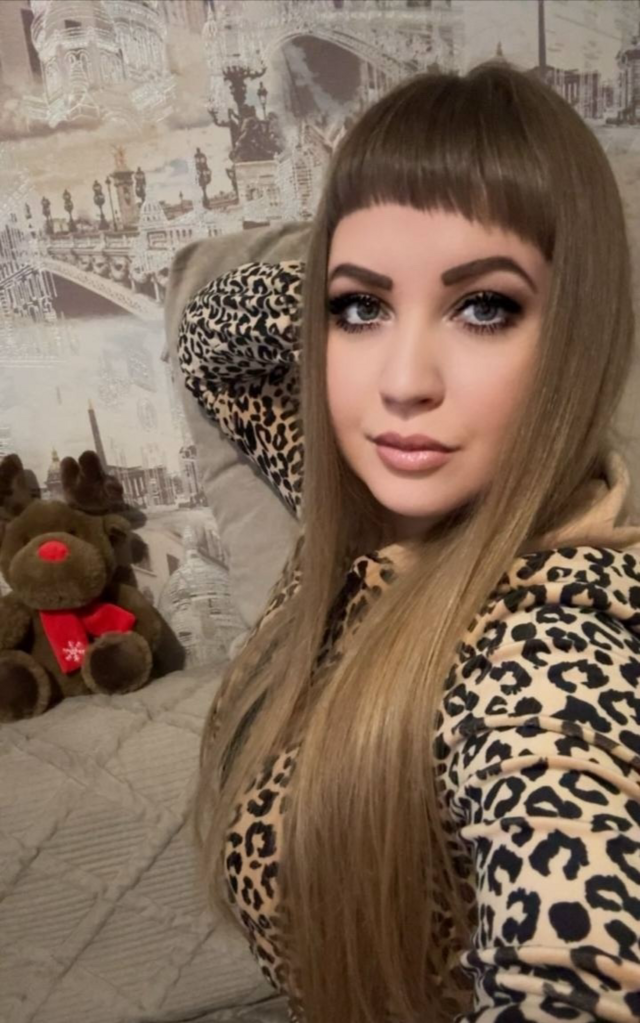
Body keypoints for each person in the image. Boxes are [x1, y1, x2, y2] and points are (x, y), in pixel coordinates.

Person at [177, 62, 640, 1023]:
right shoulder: (364, 495)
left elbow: (583, 942)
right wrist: (352, 276)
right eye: (361, 308)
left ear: (579, 331)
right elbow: (211, 345)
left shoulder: (550, 647)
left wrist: (380, 283)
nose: (402, 381)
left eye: (485, 307)